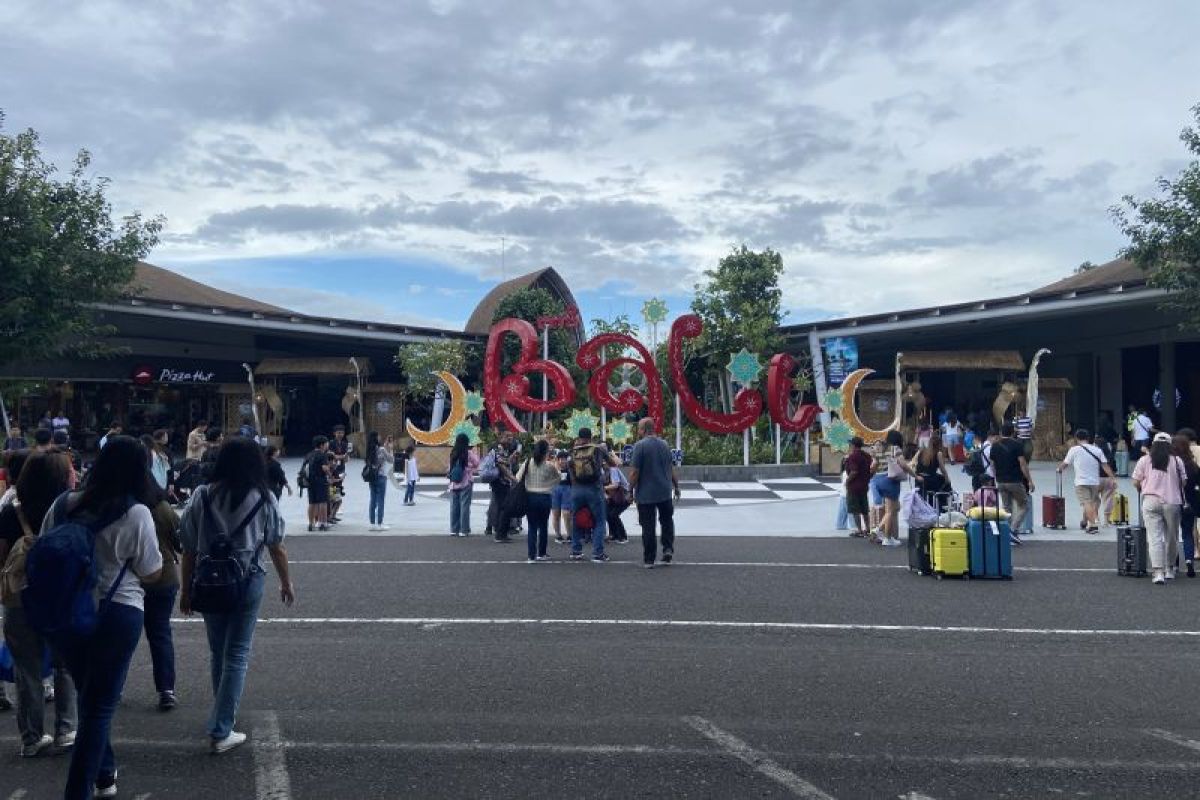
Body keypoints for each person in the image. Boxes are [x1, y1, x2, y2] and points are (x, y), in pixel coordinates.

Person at [41, 436, 162, 799]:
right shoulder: (136, 512)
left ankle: (105, 774)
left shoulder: (63, 504)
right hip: (117, 612)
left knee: (89, 694)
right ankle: (78, 790)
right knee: (99, 706)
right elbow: (152, 571)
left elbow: (46, 547)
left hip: (65, 613)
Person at [179, 437, 294, 754]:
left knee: (218, 652)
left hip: (209, 579)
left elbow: (188, 547)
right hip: (248, 580)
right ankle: (221, 727)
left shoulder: (202, 496)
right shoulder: (264, 497)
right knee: (237, 654)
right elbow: (276, 544)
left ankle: (222, 714)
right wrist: (286, 582)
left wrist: (185, 590)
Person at [0, 451, 78, 757]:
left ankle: (31, 738)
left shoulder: (10, 513)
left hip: (20, 598)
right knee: (65, 664)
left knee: (27, 669)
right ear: (61, 479)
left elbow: (2, 555)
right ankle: (66, 729)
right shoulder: (69, 509)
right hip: (60, 597)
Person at [142, 488, 182, 711]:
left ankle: (114, 687)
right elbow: (181, 541)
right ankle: (166, 689)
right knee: (160, 633)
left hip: (126, 580)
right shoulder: (162, 508)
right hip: (162, 575)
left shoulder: (113, 505)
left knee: (117, 637)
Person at [1132, 432, 1189, 585]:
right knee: (1172, 537)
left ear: (1154, 444)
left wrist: (1144, 486)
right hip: (1172, 502)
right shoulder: (1177, 461)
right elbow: (1183, 482)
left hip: (1150, 501)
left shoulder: (1144, 460)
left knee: (1154, 537)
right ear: (1170, 445)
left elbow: (1136, 481)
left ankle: (1158, 572)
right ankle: (1170, 569)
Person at [628, 418, 681, 568]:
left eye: (639, 428)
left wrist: (629, 490)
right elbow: (670, 468)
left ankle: (649, 559)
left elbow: (634, 472)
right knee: (667, 521)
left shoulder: (640, 446)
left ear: (644, 429)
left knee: (648, 526)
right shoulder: (664, 444)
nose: (638, 431)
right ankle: (668, 549)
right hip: (665, 491)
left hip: (646, 494)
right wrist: (676, 486)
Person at [569, 428, 617, 562]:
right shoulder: (598, 448)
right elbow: (613, 464)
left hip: (577, 489)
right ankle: (597, 553)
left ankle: (576, 551)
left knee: (576, 519)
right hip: (594, 489)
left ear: (578, 437)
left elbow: (570, 470)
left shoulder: (573, 451)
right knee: (599, 520)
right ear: (590, 437)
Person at [1058, 429, 1116, 534]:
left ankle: (1093, 525)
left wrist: (1059, 469)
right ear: (1088, 438)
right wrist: (1112, 478)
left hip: (1081, 482)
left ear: (1076, 438)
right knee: (1091, 503)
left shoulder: (1074, 450)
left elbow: (1065, 463)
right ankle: (1084, 522)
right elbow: (1105, 465)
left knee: (1087, 503)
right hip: (1094, 481)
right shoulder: (1097, 450)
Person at [516, 440, 560, 562]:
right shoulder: (549, 465)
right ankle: (542, 553)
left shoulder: (527, 463)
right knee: (543, 526)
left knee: (532, 526)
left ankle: (531, 555)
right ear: (546, 451)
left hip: (530, 496)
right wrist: (548, 485)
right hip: (545, 497)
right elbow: (558, 478)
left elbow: (518, 477)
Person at [869, 430, 914, 547]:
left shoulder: (879, 449)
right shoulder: (895, 449)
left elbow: (873, 465)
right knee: (890, 511)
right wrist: (914, 475)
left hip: (877, 480)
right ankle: (883, 534)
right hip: (890, 480)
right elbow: (903, 464)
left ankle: (886, 535)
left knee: (894, 508)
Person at [991, 423, 1034, 541]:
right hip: (1014, 481)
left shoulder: (994, 446)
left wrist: (996, 478)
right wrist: (1029, 481)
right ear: (1013, 432)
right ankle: (1013, 529)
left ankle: (1006, 532)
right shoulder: (1017, 445)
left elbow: (992, 464)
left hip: (1001, 481)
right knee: (1024, 505)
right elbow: (1023, 464)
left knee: (1006, 508)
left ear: (1000, 433)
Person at [1172, 433, 1200, 578]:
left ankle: (1175, 564)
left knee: (1173, 534)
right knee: (1187, 533)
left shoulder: (1171, 465)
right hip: (1189, 503)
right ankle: (1189, 561)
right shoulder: (1192, 465)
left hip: (1173, 501)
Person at [485, 434, 517, 541]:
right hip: (500, 483)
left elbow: (506, 462)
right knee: (503, 508)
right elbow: (501, 466)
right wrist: (512, 478)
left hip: (503, 483)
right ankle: (500, 533)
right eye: (506, 436)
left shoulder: (505, 449)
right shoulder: (498, 449)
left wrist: (512, 457)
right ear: (500, 438)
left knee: (503, 507)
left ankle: (502, 533)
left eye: (510, 437)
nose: (509, 439)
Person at [447, 434, 480, 537]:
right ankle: (464, 530)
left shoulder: (453, 452)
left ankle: (454, 529)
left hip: (454, 483)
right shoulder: (468, 453)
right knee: (465, 506)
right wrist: (470, 468)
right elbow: (477, 462)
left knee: (454, 506)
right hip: (466, 482)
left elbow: (449, 468)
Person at [844, 436, 873, 538]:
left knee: (855, 509)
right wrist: (867, 478)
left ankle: (860, 530)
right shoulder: (867, 456)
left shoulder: (853, 456)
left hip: (854, 486)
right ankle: (868, 529)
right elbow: (872, 470)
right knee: (864, 508)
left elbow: (854, 471)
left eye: (850, 444)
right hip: (864, 486)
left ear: (853, 445)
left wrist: (847, 482)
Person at [914, 431, 952, 509]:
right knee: (945, 483)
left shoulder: (922, 451)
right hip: (930, 480)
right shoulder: (938, 453)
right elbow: (943, 470)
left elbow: (914, 463)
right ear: (939, 445)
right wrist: (947, 479)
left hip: (919, 479)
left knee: (938, 478)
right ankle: (942, 505)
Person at [366, 432, 395, 531]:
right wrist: (390, 448)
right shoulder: (382, 450)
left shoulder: (369, 450)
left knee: (373, 500)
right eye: (378, 436)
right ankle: (379, 523)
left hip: (371, 477)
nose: (380, 437)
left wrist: (385, 447)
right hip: (381, 477)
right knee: (381, 500)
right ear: (375, 438)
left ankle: (372, 523)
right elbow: (391, 460)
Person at [305, 436, 332, 532]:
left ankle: (311, 523)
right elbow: (324, 468)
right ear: (321, 445)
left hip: (310, 481)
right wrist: (330, 475)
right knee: (323, 502)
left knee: (312, 503)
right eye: (326, 443)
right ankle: (322, 523)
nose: (327, 445)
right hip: (320, 480)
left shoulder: (309, 454)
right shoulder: (322, 455)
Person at [604, 458, 631, 544]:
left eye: (604, 461)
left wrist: (603, 488)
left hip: (623, 496)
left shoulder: (613, 469)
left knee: (613, 515)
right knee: (607, 514)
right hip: (613, 496)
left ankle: (623, 536)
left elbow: (616, 484)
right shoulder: (603, 471)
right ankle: (614, 535)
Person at [550, 449, 573, 544]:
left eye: (564, 459)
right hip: (555, 490)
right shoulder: (553, 467)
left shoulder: (570, 468)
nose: (562, 461)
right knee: (555, 514)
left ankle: (569, 535)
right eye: (560, 459)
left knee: (566, 513)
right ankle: (558, 535)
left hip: (567, 490)